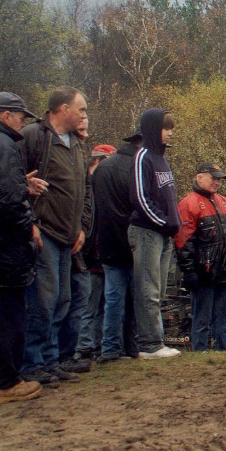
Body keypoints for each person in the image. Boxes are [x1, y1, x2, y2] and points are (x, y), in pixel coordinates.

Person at [18, 87, 92, 386]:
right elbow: (14, 182)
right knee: (41, 301)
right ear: (63, 109)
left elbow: (83, 191)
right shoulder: (33, 137)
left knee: (61, 300)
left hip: (68, 235)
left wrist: (82, 227)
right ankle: (31, 363)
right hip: (44, 232)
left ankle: (51, 361)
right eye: (82, 109)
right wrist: (30, 222)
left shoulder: (75, 143)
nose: (85, 116)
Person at [0, 92, 45, 404]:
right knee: (10, 314)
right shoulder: (5, 146)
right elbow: (8, 200)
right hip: (3, 248)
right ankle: (5, 381)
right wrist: (30, 226)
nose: (24, 122)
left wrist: (19, 185)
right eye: (21, 116)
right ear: (6, 115)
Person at [129, 109, 181, 359]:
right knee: (147, 288)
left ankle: (155, 341)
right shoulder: (143, 157)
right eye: (165, 127)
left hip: (164, 234)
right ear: (152, 129)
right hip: (147, 232)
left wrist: (174, 224)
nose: (170, 132)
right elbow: (140, 198)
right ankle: (149, 345)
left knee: (159, 290)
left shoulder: (163, 159)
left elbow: (168, 197)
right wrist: (163, 222)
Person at [175, 162, 226, 351]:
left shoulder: (224, 202)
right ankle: (200, 356)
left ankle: (223, 355)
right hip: (203, 273)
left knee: (224, 320)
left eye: (218, 179)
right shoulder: (188, 203)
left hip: (225, 271)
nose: (217, 182)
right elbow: (183, 241)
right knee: (201, 320)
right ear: (200, 177)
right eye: (213, 178)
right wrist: (189, 272)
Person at [67, 144, 116, 370]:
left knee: (102, 306)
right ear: (96, 161)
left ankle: (96, 347)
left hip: (103, 257)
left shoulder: (101, 188)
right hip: (87, 258)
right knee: (88, 306)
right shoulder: (85, 188)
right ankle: (82, 348)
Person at [95, 133, 142, 362]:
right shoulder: (137, 168)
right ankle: (131, 348)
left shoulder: (104, 168)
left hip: (107, 243)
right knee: (135, 299)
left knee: (113, 300)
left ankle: (110, 349)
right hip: (132, 243)